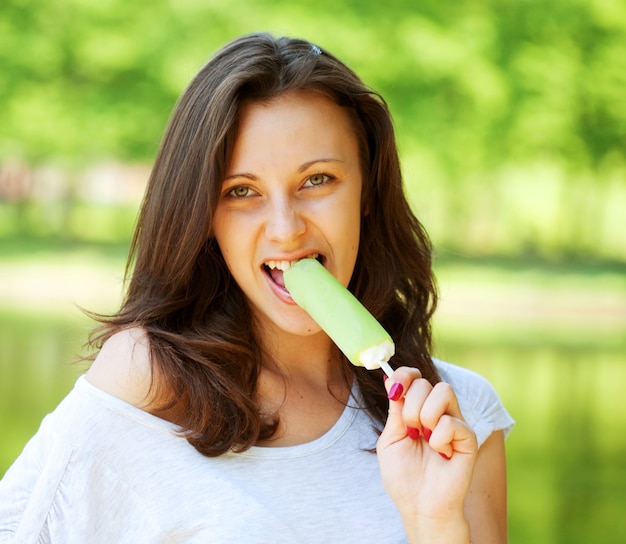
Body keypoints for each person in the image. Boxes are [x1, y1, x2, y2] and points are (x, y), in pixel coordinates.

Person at [0, 33, 514, 543]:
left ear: (368, 190)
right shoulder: (146, 382)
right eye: (241, 191)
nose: (286, 228)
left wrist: (435, 526)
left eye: (317, 180)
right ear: (205, 218)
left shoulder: (461, 417)